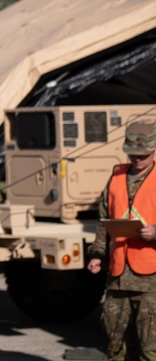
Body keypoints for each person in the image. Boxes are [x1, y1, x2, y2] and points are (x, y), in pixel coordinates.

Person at [87, 121, 156, 361]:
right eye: (133, 154)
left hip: (150, 282)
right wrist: (97, 255)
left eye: (143, 155)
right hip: (117, 277)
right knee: (116, 347)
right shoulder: (116, 176)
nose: (137, 159)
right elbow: (103, 222)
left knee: (150, 349)